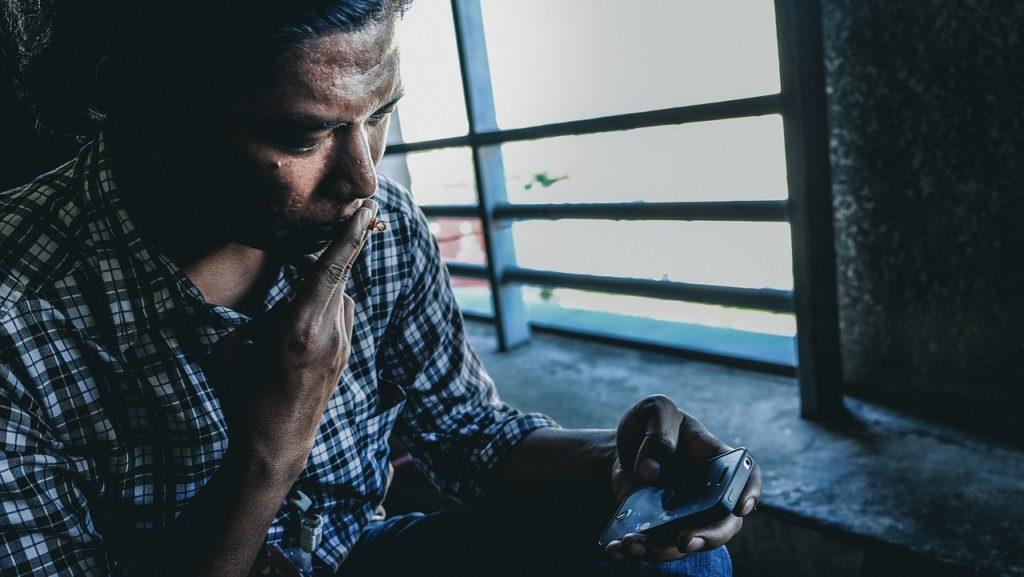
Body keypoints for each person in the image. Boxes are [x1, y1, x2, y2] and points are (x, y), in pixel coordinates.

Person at [0, 1, 762, 575]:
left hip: (355, 557)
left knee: (675, 560)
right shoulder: (19, 310)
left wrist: (626, 459)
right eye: (304, 136)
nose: (364, 176)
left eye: (380, 116)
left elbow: (469, 434)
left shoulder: (380, 224)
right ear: (150, 102)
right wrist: (271, 444)